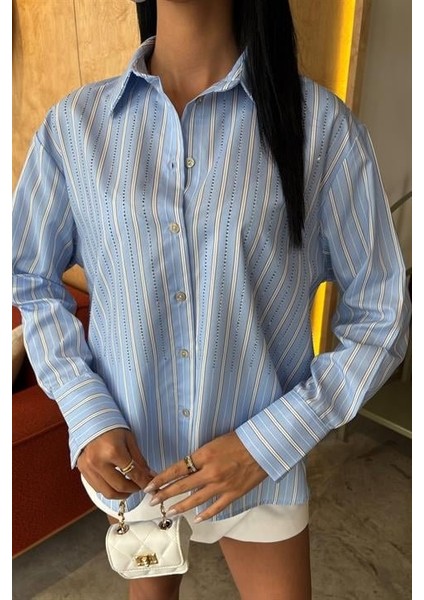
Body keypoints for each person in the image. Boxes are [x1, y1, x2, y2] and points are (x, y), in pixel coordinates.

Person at [12, 0, 411, 598]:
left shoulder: (321, 129)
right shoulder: (75, 129)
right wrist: (86, 410)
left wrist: (266, 445)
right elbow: (30, 277)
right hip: (134, 461)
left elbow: (381, 313)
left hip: (261, 468)